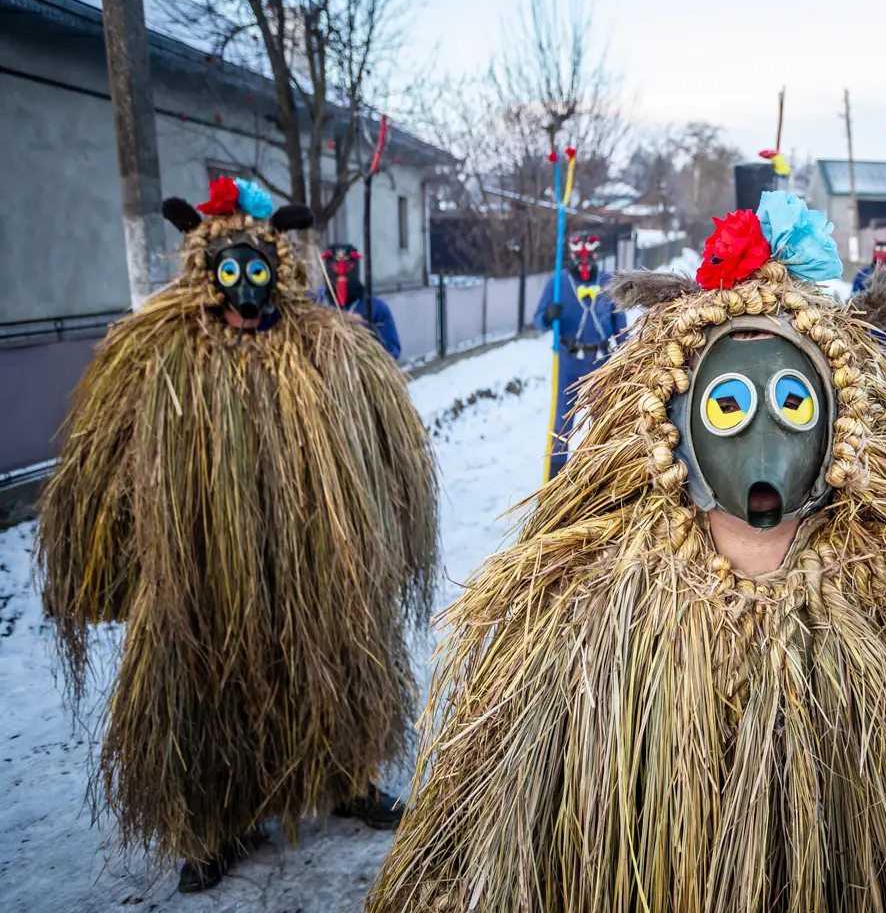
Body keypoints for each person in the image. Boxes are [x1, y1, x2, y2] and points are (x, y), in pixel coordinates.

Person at [365, 192, 886, 913]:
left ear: (840, 421)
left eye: (795, 403)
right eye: (728, 407)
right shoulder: (589, 615)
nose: (764, 448)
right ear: (675, 422)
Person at [37, 178, 438, 893]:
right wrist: (120, 550)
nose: (245, 294)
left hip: (317, 560)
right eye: (230, 273)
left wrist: (388, 532)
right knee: (211, 689)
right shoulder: (161, 356)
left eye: (258, 272)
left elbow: (390, 445)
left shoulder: (330, 349)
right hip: (205, 571)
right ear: (207, 275)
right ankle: (219, 825)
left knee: (337, 664)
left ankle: (347, 778)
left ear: (277, 271)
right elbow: (106, 460)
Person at [535, 234, 628, 478]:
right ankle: (554, 479)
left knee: (604, 420)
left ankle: (603, 474)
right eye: (579, 255)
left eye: (589, 256)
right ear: (572, 255)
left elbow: (621, 326)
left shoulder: (608, 282)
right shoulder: (558, 282)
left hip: (601, 362)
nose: (585, 261)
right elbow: (538, 321)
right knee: (562, 423)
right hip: (568, 362)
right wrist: (548, 316)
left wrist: (627, 355)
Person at [316, 242, 402, 359]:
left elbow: (393, 350)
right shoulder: (314, 304)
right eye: (335, 267)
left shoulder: (376, 308)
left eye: (348, 267)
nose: (341, 273)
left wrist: (370, 333)